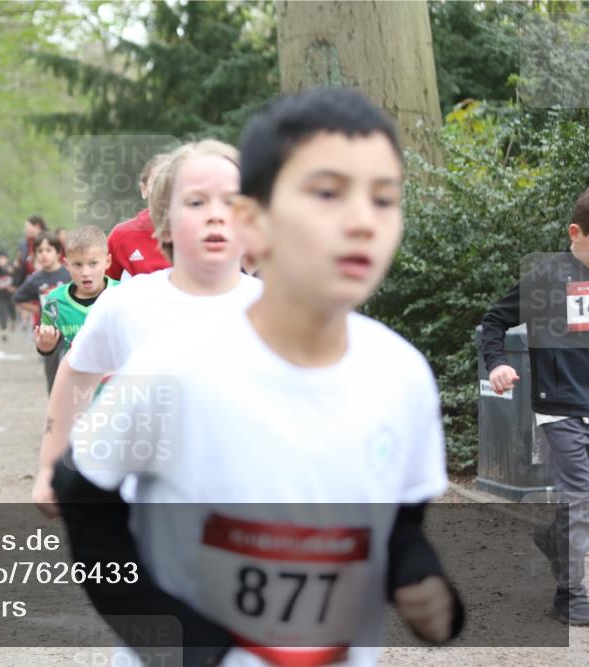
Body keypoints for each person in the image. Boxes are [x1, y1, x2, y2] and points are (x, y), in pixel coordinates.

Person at [53, 88, 464, 666]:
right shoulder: (174, 367)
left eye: (384, 199)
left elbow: (396, 523)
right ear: (254, 220)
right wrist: (182, 641)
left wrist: (421, 579)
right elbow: (85, 500)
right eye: (326, 193)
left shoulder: (400, 374)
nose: (361, 221)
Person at [31, 139, 263, 510]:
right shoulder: (125, 302)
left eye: (231, 201)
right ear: (164, 223)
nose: (216, 215)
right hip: (143, 510)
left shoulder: (275, 310)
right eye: (196, 202)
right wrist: (48, 466)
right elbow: (76, 375)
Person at [480, 187, 589, 625]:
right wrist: (497, 364)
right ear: (575, 233)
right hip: (561, 406)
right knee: (580, 497)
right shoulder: (547, 277)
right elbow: (495, 319)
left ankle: (552, 537)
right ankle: (571, 595)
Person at [35, 224, 118, 366]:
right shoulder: (55, 301)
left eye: (93, 263)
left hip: (117, 381)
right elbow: (47, 348)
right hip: (76, 380)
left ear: (107, 262)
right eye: (78, 264)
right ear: (66, 265)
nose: (85, 272)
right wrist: (44, 346)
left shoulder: (125, 294)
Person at [13, 231, 71, 393]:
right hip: (48, 334)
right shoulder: (35, 279)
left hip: (71, 330)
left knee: (70, 373)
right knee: (53, 378)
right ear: (35, 254)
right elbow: (17, 299)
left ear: (58, 252)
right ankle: (56, 412)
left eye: (48, 250)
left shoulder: (69, 274)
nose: (44, 254)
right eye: (40, 251)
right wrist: (38, 308)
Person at [105, 153, 172, 282]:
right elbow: (103, 286)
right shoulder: (121, 236)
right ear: (144, 190)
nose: (164, 190)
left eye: (171, 183)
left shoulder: (198, 233)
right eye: (158, 183)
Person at [0, 250, 17, 341]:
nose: (1, 261)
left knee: (11, 310)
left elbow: (17, 279)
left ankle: (13, 320)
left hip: (11, 296)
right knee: (2, 313)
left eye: (3, 258)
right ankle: (4, 331)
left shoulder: (11, 268)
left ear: (7, 259)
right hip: (0, 296)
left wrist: (14, 287)